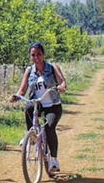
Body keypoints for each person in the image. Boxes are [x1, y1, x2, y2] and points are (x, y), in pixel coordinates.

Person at [10, 42, 67, 172]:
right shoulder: (29, 71)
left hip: (53, 105)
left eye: (39, 54)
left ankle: (53, 160)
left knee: (49, 127)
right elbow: (23, 89)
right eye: (33, 55)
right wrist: (17, 96)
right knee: (29, 108)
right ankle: (31, 136)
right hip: (38, 104)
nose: (36, 57)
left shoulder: (52, 67)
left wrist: (62, 87)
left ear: (43, 54)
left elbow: (62, 82)